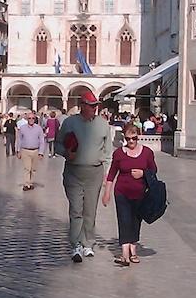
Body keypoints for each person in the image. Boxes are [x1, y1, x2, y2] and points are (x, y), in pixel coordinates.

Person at [57, 91, 111, 262]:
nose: (95, 109)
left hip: (94, 172)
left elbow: (108, 152)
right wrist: (66, 153)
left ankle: (88, 242)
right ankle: (76, 244)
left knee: (90, 210)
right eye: (91, 106)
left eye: (96, 106)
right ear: (82, 106)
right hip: (74, 171)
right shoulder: (69, 123)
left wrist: (106, 176)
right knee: (76, 209)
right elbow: (57, 144)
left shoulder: (103, 125)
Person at [102, 123, 157, 266]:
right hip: (121, 192)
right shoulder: (119, 153)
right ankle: (125, 254)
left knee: (135, 221)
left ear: (138, 137)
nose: (131, 142)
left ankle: (133, 250)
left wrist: (143, 173)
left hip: (140, 193)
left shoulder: (147, 153)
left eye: (134, 138)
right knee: (124, 220)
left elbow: (153, 171)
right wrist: (106, 192)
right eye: (128, 139)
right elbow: (112, 174)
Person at [17, 110, 47, 191]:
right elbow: (19, 139)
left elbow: (41, 141)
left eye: (33, 118)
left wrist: (41, 152)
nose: (31, 119)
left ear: (35, 119)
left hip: (35, 151)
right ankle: (27, 184)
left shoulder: (38, 128)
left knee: (33, 169)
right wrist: (18, 151)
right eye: (29, 118)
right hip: (25, 150)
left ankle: (31, 182)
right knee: (27, 168)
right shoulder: (22, 128)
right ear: (27, 119)